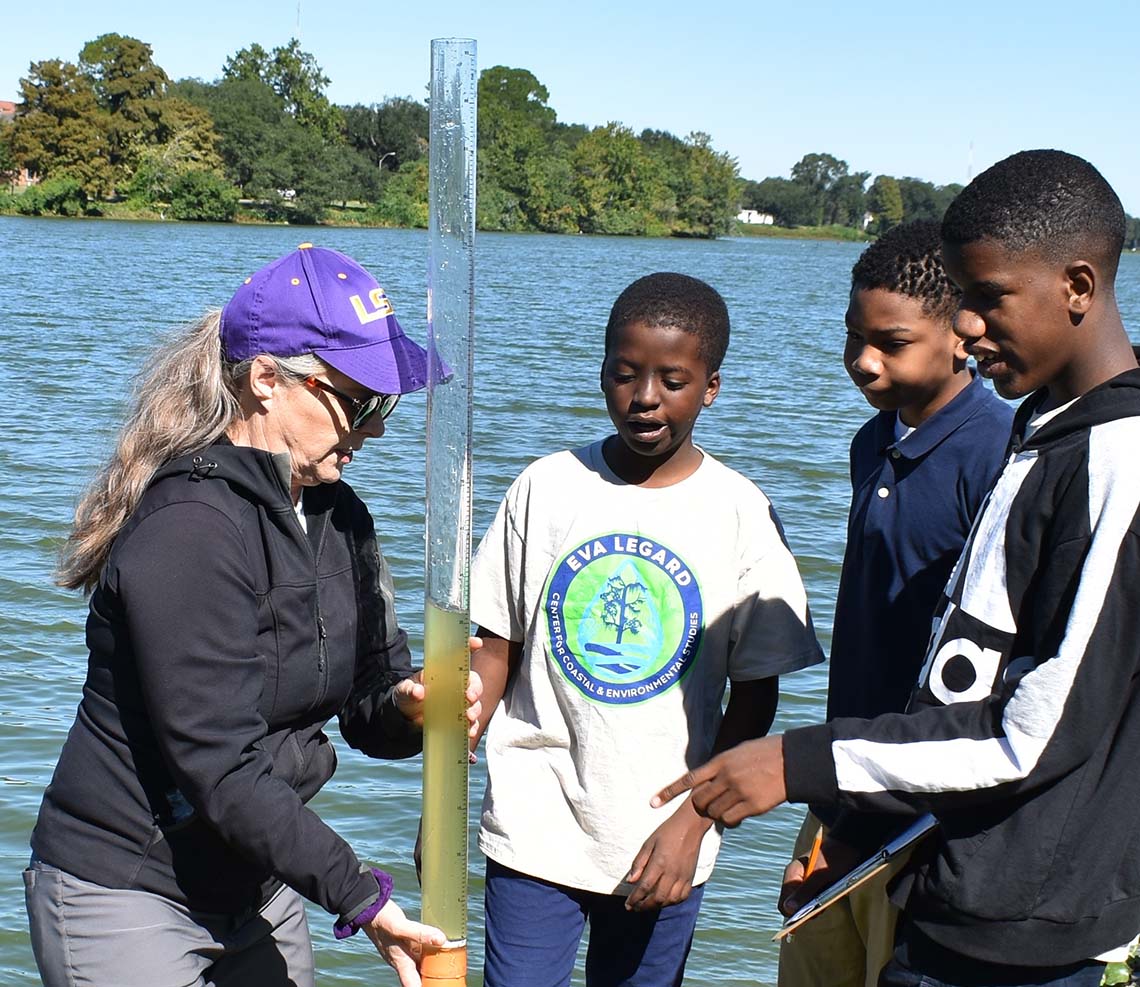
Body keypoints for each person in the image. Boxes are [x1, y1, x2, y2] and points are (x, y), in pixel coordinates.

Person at [653, 150, 1140, 986]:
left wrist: (802, 760)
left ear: (1079, 286)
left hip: (1026, 920)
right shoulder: (1044, 434)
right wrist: (842, 811)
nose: (971, 326)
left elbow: (1038, 731)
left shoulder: (1115, 462)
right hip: (941, 866)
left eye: (987, 299)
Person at [25, 244, 483, 987]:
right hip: (126, 884)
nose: (376, 429)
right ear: (267, 378)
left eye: (387, 402)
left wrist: (409, 705)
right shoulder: (189, 530)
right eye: (359, 400)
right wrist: (362, 895)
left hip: (255, 878)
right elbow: (221, 763)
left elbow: (368, 691)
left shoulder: (339, 516)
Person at [468, 272, 824, 987]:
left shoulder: (739, 513)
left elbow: (753, 701)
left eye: (673, 379)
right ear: (603, 372)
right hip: (535, 827)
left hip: (664, 833)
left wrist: (697, 821)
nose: (645, 397)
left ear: (711, 387)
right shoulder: (545, 487)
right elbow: (495, 648)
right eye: (626, 374)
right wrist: (449, 760)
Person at [777, 220, 1013, 987]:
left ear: (960, 335)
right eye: (853, 336)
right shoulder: (871, 441)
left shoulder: (998, 460)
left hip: (921, 810)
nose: (864, 362)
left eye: (892, 341)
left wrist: (862, 824)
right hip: (844, 776)